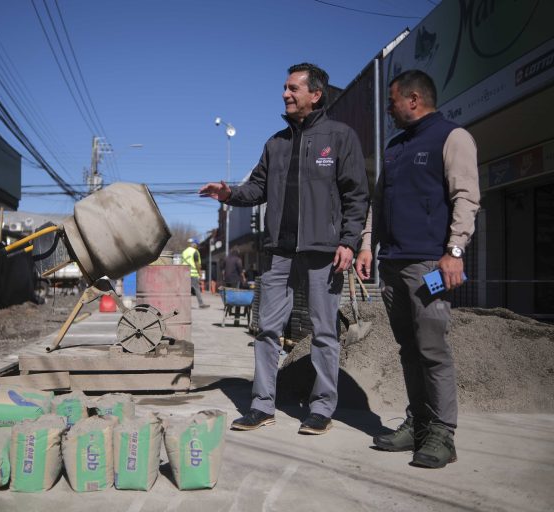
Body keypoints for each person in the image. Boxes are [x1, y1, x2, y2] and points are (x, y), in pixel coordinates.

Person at [200, 63, 368, 434]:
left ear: (316, 94)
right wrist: (228, 194)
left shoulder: (340, 137)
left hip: (324, 252)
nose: (285, 94)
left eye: (293, 88)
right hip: (280, 252)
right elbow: (256, 189)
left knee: (324, 332)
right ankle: (262, 405)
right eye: (285, 87)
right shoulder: (276, 144)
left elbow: (357, 195)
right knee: (266, 329)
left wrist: (349, 241)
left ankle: (322, 408)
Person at [355, 70, 480, 468]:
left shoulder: (452, 137)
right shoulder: (394, 148)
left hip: (430, 265)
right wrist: (367, 246)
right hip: (392, 265)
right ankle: (419, 423)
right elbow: (378, 203)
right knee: (408, 348)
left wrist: (455, 251)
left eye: (392, 102)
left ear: (413, 99)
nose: (389, 110)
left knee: (432, 348)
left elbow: (466, 197)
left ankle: (443, 433)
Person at [181, 238, 209, 309]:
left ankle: (184, 305)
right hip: (193, 273)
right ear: (194, 244)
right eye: (197, 245)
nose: (197, 246)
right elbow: (197, 264)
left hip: (184, 273)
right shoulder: (195, 252)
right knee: (197, 289)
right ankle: (201, 304)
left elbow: (182, 263)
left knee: (186, 290)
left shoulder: (184, 252)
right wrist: (200, 273)